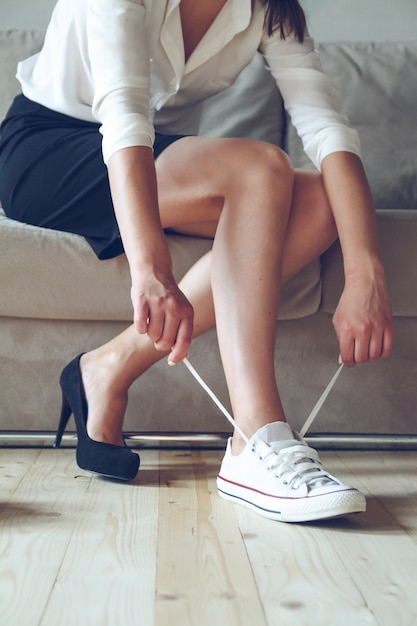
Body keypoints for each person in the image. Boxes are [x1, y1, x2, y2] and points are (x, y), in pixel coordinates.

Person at [0, 0, 393, 523]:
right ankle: (255, 435)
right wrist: (149, 268)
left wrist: (366, 272)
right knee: (258, 166)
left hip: (159, 159)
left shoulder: (269, 10)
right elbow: (123, 115)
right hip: (48, 151)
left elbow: (327, 129)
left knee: (322, 204)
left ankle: (107, 365)